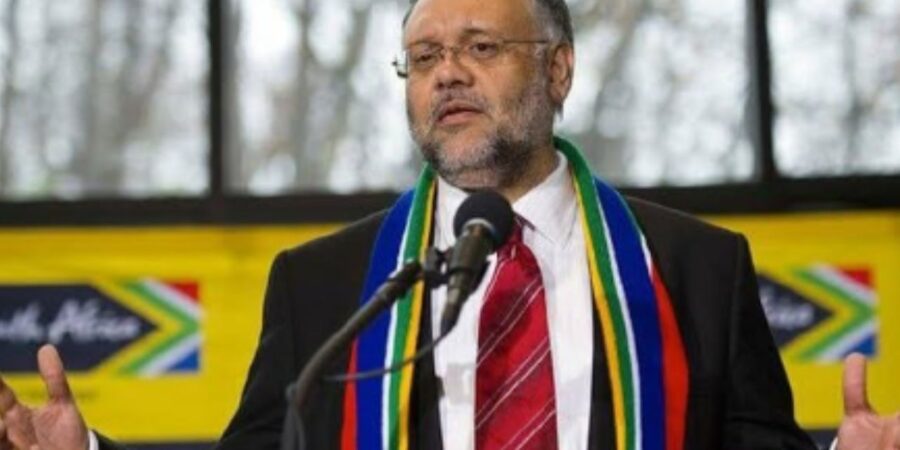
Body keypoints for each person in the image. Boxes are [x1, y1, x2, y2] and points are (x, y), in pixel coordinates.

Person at [2, 0, 899, 448]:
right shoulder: (323, 284)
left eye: (481, 47)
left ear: (558, 72)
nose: (447, 74)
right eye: (425, 56)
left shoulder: (697, 266)